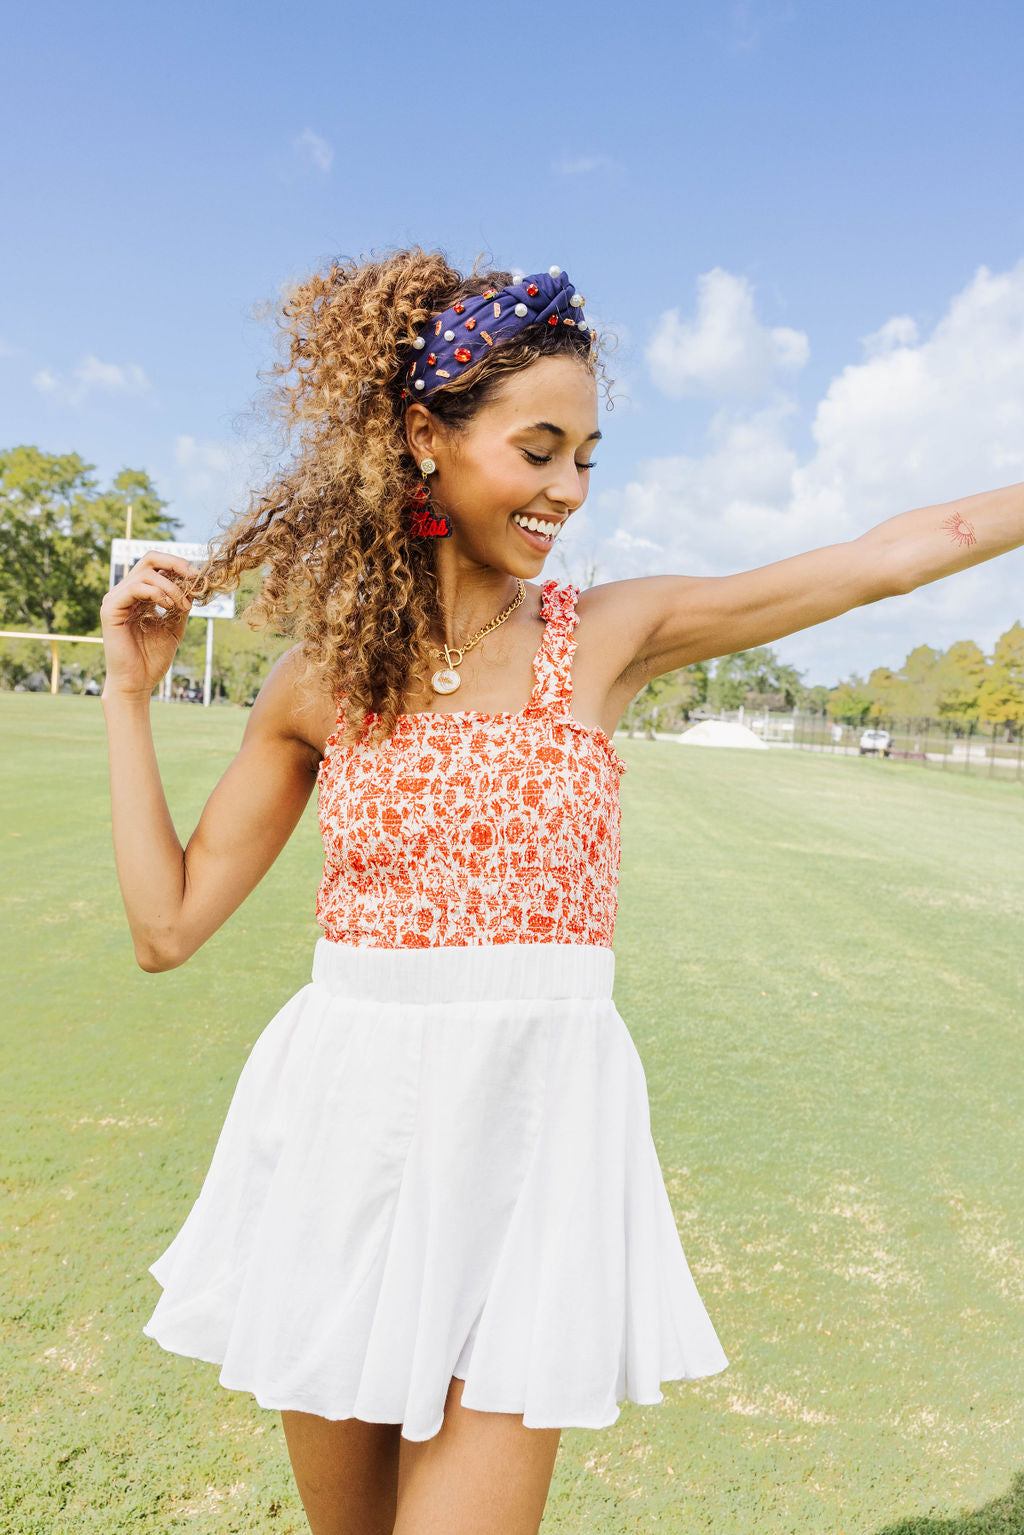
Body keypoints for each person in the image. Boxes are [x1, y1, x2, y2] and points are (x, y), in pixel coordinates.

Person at [99, 248, 1024, 1535]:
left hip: (534, 1147)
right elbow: (166, 925)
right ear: (424, 436)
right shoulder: (318, 682)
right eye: (539, 449)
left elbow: (887, 557)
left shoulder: (605, 636)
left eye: (588, 455)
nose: (568, 490)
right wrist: (129, 694)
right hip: (338, 1144)